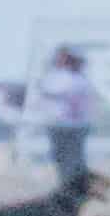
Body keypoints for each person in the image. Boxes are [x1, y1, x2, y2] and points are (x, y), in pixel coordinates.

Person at [35, 47, 97, 184]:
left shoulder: (77, 80)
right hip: (59, 125)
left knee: (73, 159)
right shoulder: (59, 77)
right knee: (63, 159)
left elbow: (55, 92)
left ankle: (74, 186)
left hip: (72, 126)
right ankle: (67, 184)